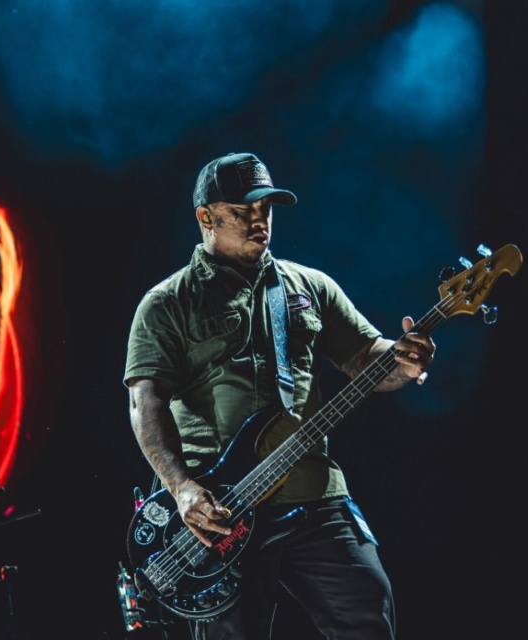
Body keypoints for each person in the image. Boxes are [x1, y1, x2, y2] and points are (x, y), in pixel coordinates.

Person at [123, 151, 435, 639]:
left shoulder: (310, 286)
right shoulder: (167, 303)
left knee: (369, 609)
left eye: (265, 209)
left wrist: (404, 359)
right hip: (222, 510)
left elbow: (367, 359)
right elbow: (146, 403)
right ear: (205, 217)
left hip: (313, 492)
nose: (259, 221)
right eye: (242, 211)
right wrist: (181, 487)